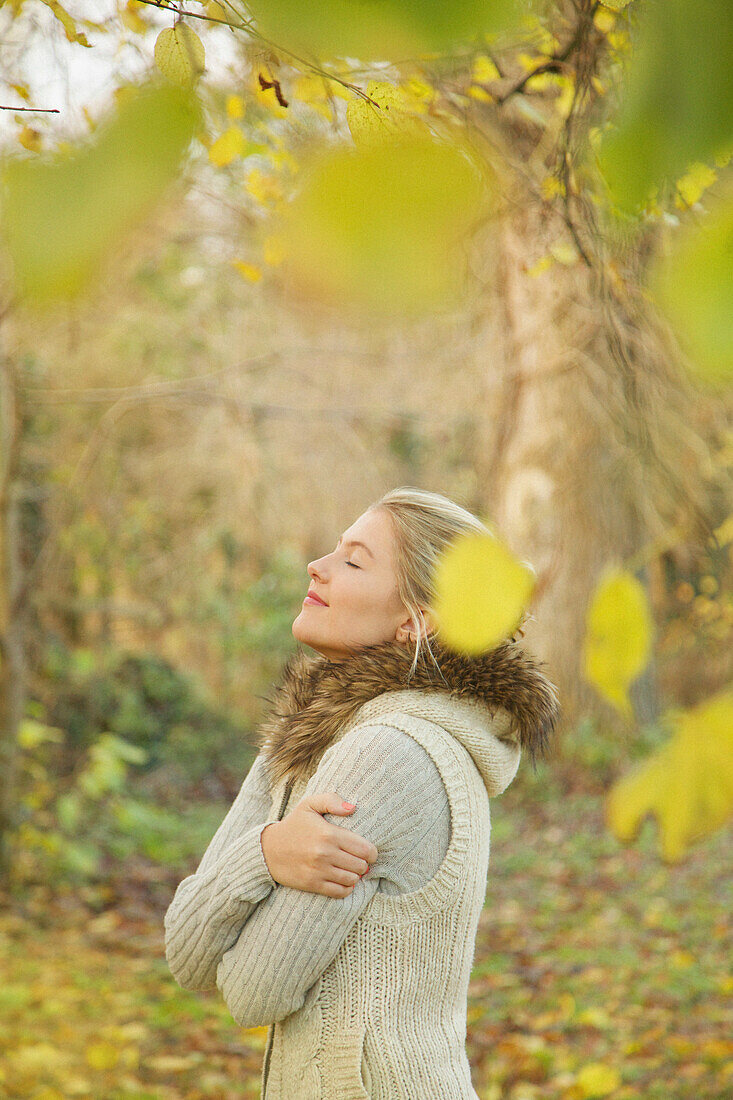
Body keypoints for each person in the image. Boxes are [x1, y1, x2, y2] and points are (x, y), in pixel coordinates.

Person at [164, 487, 560, 1099]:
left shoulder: (390, 754)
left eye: (353, 560)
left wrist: (254, 863)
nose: (316, 565)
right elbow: (186, 957)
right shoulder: (314, 733)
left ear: (416, 620)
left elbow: (249, 992)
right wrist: (266, 852)